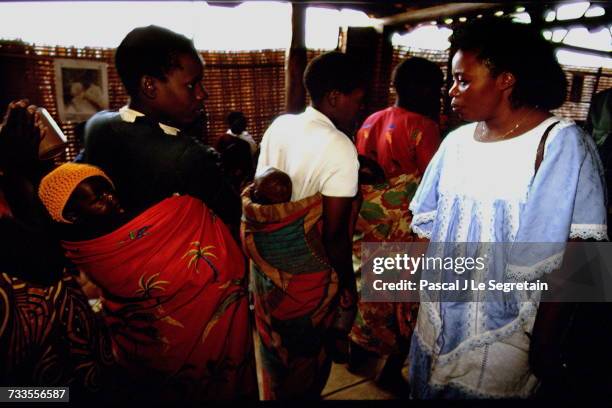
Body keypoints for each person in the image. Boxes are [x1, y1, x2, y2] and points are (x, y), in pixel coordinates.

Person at [408, 18, 607, 399]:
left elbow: (583, 257)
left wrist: (546, 346)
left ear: (506, 79)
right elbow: (429, 229)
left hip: (508, 338)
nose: (452, 91)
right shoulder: (457, 143)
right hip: (433, 324)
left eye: (463, 80)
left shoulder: (560, 146)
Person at [38, 162, 257, 402]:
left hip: (143, 350)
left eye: (109, 190)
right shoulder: (87, 250)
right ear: (72, 216)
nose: (111, 199)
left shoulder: (79, 248)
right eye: (98, 199)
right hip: (172, 343)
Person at [242, 51, 365, 399]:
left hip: (267, 272)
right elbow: (334, 237)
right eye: (357, 100)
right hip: (306, 277)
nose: (359, 108)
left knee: (275, 348)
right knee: (306, 358)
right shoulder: (340, 147)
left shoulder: (281, 124)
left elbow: (264, 194)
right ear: (334, 98)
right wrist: (347, 289)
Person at [0, 100, 114, 401]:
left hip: (64, 361)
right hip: (21, 386)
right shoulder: (12, 184)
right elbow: (40, 261)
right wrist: (15, 169)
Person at [81, 25, 241, 232]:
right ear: (150, 86)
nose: (203, 94)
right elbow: (234, 217)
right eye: (192, 85)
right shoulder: (188, 157)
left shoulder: (97, 126)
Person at [349, 57, 443, 388]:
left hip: (366, 217)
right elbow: (433, 185)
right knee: (401, 297)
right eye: (437, 87)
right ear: (421, 89)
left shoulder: (371, 119)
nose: (440, 94)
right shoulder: (425, 127)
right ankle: (390, 370)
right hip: (402, 222)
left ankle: (357, 352)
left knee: (366, 287)